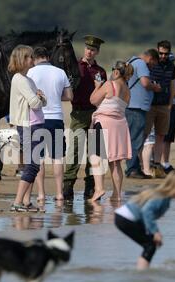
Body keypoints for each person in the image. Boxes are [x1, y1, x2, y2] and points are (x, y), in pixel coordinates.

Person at [114, 171, 175, 270]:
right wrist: (155, 232)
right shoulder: (161, 197)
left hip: (125, 217)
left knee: (151, 244)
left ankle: (142, 270)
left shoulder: (164, 197)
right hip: (126, 218)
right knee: (150, 245)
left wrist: (153, 234)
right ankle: (142, 274)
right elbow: (147, 212)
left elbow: (145, 216)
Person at [63, 35, 107, 201]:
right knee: (75, 148)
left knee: (94, 151)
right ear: (84, 49)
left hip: (96, 113)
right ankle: (68, 185)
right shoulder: (75, 67)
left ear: (97, 52)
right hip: (78, 112)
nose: (90, 51)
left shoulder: (100, 71)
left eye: (93, 49)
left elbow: (105, 94)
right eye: (88, 48)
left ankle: (90, 185)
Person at [27, 47, 73, 202]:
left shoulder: (30, 72)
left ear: (35, 58)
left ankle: (41, 194)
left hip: (37, 118)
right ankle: (59, 193)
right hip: (56, 118)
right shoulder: (60, 72)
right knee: (57, 157)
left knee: (38, 158)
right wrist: (54, 96)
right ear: (48, 56)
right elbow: (69, 96)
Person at [8, 45, 47, 212]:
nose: (32, 60)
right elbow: (35, 102)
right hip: (28, 125)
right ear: (21, 60)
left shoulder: (28, 79)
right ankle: (17, 202)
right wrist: (40, 98)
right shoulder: (20, 79)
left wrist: (40, 98)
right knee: (32, 165)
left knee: (34, 164)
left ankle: (26, 202)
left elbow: (42, 101)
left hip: (36, 123)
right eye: (29, 57)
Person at [89, 61, 133, 202]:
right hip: (119, 125)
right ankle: (117, 194)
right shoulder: (127, 90)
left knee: (96, 156)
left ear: (116, 72)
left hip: (104, 122)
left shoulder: (109, 84)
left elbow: (93, 100)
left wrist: (98, 87)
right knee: (115, 161)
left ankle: (99, 189)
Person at [125, 49, 161, 179]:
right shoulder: (141, 64)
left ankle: (133, 167)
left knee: (133, 137)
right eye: (153, 64)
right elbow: (145, 83)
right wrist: (155, 87)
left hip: (132, 105)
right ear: (151, 58)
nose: (152, 67)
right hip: (136, 107)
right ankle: (132, 169)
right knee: (136, 139)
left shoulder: (131, 61)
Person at [144, 40, 175, 177]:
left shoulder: (171, 66)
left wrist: (170, 104)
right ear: (157, 51)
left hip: (164, 105)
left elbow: (172, 86)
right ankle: (141, 166)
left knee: (161, 136)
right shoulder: (151, 64)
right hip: (150, 105)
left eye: (166, 54)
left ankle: (157, 165)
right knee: (145, 136)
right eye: (161, 53)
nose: (163, 56)